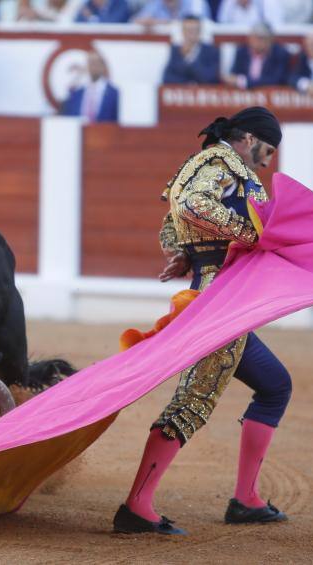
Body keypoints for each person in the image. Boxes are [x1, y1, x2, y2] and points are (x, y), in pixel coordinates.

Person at [112, 106, 290, 535]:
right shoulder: (223, 163)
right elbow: (194, 204)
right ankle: (137, 506)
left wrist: (186, 254)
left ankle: (246, 500)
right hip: (219, 301)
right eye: (267, 150)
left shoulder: (202, 162)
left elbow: (172, 223)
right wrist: (253, 236)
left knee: (274, 386)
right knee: (195, 398)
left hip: (222, 295)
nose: (268, 162)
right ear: (249, 139)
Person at [223, 24, 290, 89]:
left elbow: (276, 80)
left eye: (262, 38)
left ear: (270, 40)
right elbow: (233, 76)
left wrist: (244, 82)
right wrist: (237, 80)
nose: (258, 42)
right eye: (256, 37)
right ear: (250, 38)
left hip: (268, 93)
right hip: (243, 94)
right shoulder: (242, 52)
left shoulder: (280, 54)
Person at [60, 51, 119, 123]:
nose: (93, 67)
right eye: (90, 63)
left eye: (96, 63)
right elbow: (69, 115)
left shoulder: (113, 93)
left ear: (103, 67)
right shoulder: (78, 93)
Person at [163, 16, 221, 84]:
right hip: (181, 89)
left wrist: (190, 56)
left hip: (204, 89)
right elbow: (167, 77)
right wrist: (187, 84)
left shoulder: (212, 50)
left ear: (200, 31)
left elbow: (211, 78)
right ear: (182, 31)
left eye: (193, 30)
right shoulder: (175, 50)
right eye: (187, 30)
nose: (190, 34)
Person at [132, 0, 211, 25]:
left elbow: (196, 26)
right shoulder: (157, 3)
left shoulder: (195, 2)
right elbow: (135, 21)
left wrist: (166, 22)